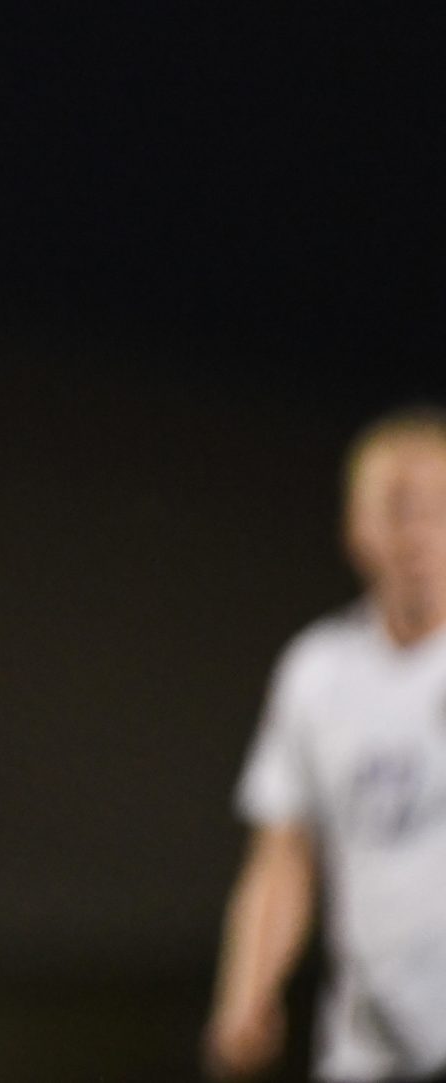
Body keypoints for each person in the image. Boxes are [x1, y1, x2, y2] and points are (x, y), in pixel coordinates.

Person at [206, 406, 446, 1083]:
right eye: (396, 507)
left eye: (436, 506)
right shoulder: (319, 671)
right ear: (355, 524)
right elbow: (283, 852)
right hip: (371, 1038)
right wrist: (247, 991)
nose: (417, 531)